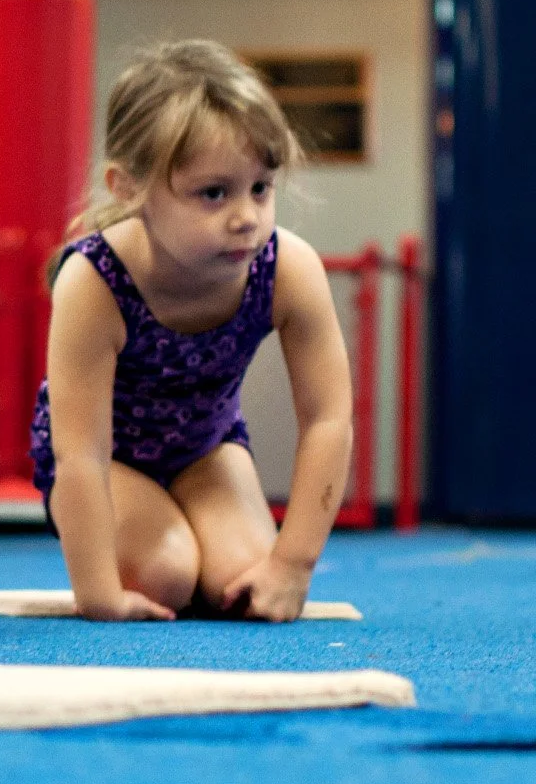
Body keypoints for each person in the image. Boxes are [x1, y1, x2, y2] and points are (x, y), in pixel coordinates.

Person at [29, 39, 352, 623]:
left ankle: (195, 524)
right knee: (166, 576)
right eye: (213, 193)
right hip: (105, 463)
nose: (246, 216)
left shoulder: (287, 269)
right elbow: (81, 452)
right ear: (128, 187)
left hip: (206, 448)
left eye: (260, 188)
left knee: (242, 583)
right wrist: (98, 593)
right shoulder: (95, 280)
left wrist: (292, 564)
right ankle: (158, 535)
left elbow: (329, 419)